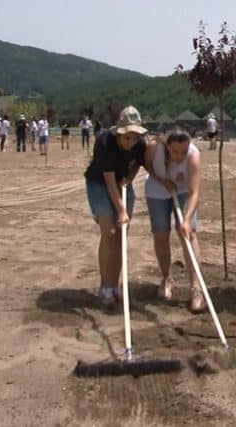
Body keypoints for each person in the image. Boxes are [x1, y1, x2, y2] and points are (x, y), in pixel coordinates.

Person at [84, 106, 148, 308]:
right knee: (110, 232)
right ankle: (105, 286)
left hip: (122, 184)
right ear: (118, 132)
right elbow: (108, 180)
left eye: (134, 138)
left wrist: (129, 179)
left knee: (121, 235)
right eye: (126, 137)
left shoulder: (140, 145)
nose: (131, 142)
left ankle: (115, 284)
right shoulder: (104, 142)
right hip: (99, 184)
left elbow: (138, 163)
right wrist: (121, 210)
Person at [143, 128, 204, 311]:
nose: (180, 156)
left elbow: (194, 193)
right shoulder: (154, 148)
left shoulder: (193, 155)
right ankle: (166, 278)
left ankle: (196, 287)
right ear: (167, 146)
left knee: (188, 232)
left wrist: (186, 220)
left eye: (183, 151)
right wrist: (162, 180)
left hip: (184, 190)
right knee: (161, 233)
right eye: (175, 151)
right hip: (156, 189)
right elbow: (147, 165)